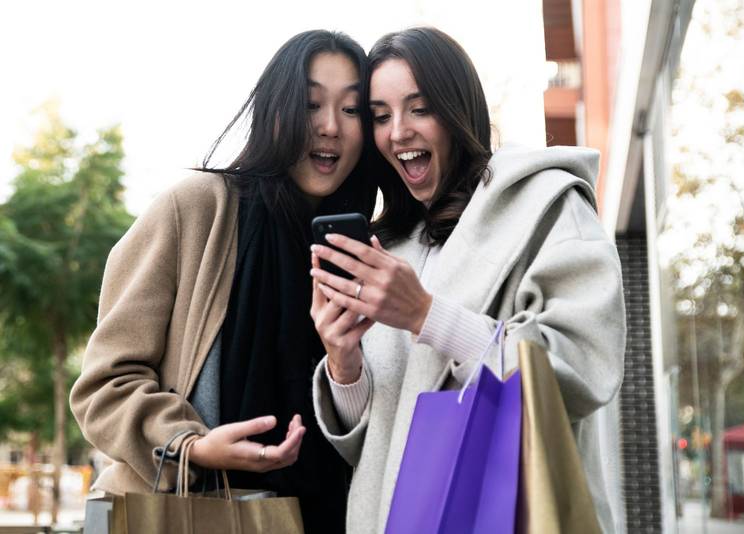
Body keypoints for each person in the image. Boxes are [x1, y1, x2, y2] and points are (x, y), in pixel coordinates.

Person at [309, 27, 626, 533]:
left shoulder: (545, 205)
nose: (398, 132)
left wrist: (426, 315)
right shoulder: (390, 245)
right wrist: (343, 364)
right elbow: (378, 441)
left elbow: (585, 367)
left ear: (458, 110)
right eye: (381, 116)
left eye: (419, 108)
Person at [70, 29, 378, 533]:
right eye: (310, 105)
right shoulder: (195, 210)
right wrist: (192, 447)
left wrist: (347, 364)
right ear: (274, 111)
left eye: (351, 110)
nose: (330, 127)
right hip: (187, 512)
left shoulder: (368, 248)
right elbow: (104, 386)